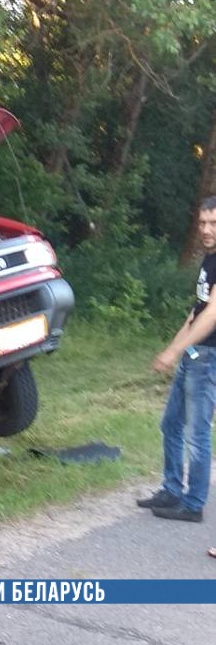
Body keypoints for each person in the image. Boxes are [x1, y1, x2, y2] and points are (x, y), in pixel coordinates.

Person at [137, 196, 216, 533]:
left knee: (197, 435)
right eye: (202, 223)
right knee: (171, 425)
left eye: (213, 223)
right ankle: (171, 491)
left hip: (209, 357)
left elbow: (213, 314)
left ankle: (193, 504)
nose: (206, 230)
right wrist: (172, 349)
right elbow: (197, 311)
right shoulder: (209, 260)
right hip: (194, 355)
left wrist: (177, 351)